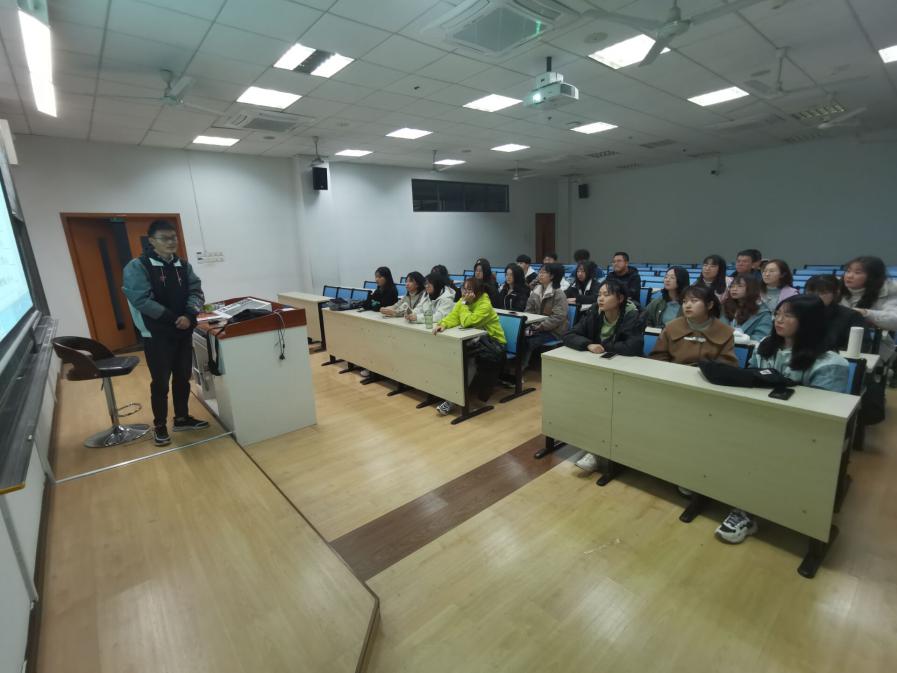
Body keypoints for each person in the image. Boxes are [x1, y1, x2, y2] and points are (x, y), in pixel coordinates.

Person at [716, 295, 850, 544]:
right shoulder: (766, 346)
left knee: (759, 449)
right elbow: (752, 380)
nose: (778, 320)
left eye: (788, 315)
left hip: (804, 433)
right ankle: (719, 488)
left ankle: (747, 509)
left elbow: (823, 417)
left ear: (808, 321)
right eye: (777, 313)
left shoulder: (830, 363)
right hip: (762, 418)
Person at [122, 219, 209, 447]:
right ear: (152, 241)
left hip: (183, 331)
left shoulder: (183, 265)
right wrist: (174, 319)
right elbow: (141, 299)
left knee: (182, 377)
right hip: (156, 335)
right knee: (160, 382)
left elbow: (196, 291)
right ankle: (160, 425)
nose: (171, 242)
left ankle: (182, 418)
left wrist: (189, 315)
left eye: (174, 238)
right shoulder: (138, 266)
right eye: (165, 238)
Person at [564, 278, 645, 473]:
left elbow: (632, 347)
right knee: (592, 405)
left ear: (620, 298)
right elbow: (569, 335)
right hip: (601, 369)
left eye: (606, 295)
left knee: (609, 408)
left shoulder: (633, 315)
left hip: (627, 371)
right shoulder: (595, 312)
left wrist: (602, 345)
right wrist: (588, 344)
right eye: (599, 294)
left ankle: (602, 451)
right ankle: (595, 448)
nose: (600, 298)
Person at [432, 277, 507, 416]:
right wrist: (443, 324)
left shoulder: (484, 304)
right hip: (475, 341)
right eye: (464, 289)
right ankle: (445, 391)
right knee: (451, 354)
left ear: (477, 291)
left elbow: (467, 322)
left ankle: (452, 400)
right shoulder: (463, 301)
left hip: (493, 343)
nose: (465, 292)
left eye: (469, 289)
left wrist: (465, 304)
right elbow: (453, 316)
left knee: (469, 359)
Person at [649, 285, 738, 366]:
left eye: (694, 301)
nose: (687, 305)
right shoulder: (671, 327)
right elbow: (658, 357)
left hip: (708, 377)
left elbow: (727, 365)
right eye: (684, 301)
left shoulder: (725, 332)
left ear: (709, 305)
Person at [840, 256, 897, 360]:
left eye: (857, 273)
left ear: (872, 276)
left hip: (874, 345)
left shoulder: (889, 290)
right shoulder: (835, 287)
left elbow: (894, 320)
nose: (849, 276)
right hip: (837, 340)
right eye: (848, 271)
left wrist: (866, 313)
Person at [521, 263, 569, 369]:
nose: (540, 275)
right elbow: (528, 311)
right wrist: (530, 325)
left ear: (552, 276)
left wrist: (541, 326)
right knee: (520, 337)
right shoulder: (536, 291)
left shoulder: (558, 294)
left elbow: (558, 317)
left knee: (529, 342)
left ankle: (521, 368)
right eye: (540, 272)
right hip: (537, 328)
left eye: (544, 272)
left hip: (554, 331)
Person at [805, 274, 867, 351]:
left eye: (823, 293)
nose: (815, 297)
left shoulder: (852, 316)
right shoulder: (799, 313)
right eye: (810, 293)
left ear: (836, 293)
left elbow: (861, 348)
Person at [721, 273, 772, 341]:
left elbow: (761, 337)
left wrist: (742, 339)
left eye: (740, 286)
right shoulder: (726, 306)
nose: (734, 289)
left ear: (751, 288)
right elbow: (720, 329)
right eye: (732, 286)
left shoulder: (763, 313)